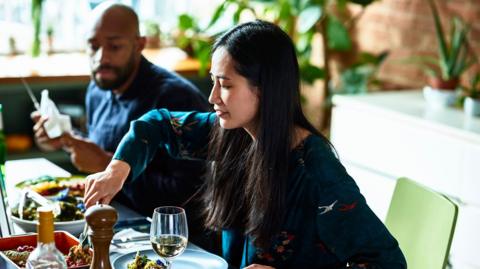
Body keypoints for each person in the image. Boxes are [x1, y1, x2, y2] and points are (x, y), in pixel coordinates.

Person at [83, 20, 406, 268]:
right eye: (213, 82)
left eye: (225, 85)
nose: (212, 98)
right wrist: (116, 170)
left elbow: (386, 262)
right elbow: (158, 124)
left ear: (264, 89)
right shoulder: (232, 133)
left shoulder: (317, 173)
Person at [31, 3, 210, 220]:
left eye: (114, 47)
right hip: (111, 217)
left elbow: (191, 197)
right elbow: (104, 146)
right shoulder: (98, 88)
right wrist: (66, 140)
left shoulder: (176, 97)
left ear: (139, 44)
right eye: (93, 46)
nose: (101, 58)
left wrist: (108, 166)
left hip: (168, 234)